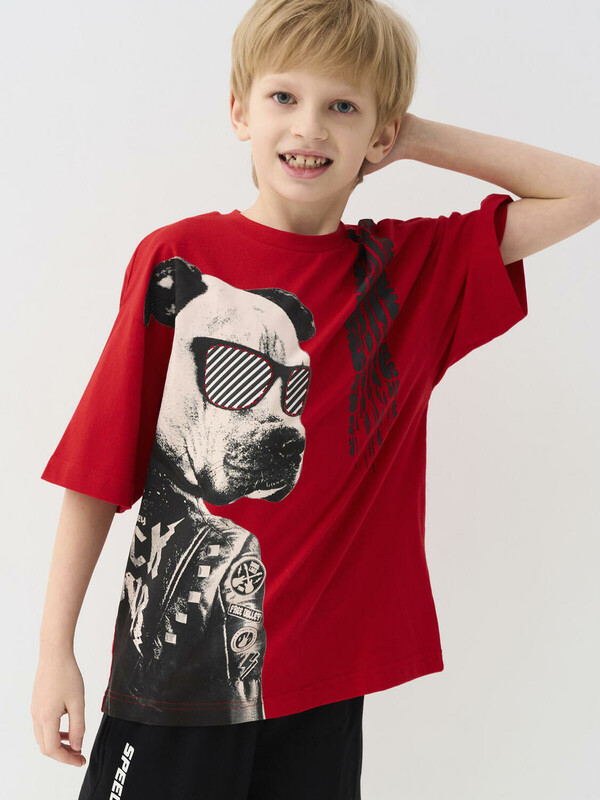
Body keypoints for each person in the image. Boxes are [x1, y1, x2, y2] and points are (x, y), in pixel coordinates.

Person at [31, 0, 600, 797]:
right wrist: (54, 650)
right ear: (240, 111)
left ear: (380, 136)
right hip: (176, 682)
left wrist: (413, 135)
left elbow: (586, 191)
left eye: (342, 107)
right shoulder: (179, 258)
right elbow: (99, 465)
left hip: (323, 690)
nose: (309, 127)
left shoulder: (405, 273)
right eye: (284, 97)